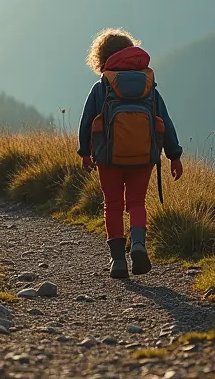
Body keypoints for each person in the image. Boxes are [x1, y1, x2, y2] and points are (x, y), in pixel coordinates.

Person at [77, 28, 184, 279]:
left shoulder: (102, 86)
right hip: (143, 156)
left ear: (101, 57)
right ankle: (138, 244)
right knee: (136, 202)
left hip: (108, 157)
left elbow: (86, 121)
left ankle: (118, 261)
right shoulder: (148, 85)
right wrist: (175, 156)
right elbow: (165, 122)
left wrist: (85, 152)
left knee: (112, 204)